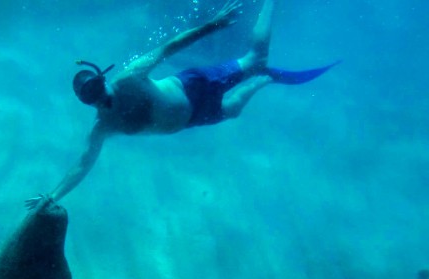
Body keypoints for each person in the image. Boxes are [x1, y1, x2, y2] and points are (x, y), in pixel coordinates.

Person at [25, 0, 337, 209]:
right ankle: (265, 80)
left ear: (103, 77)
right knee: (232, 110)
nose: (96, 95)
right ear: (85, 102)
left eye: (95, 86)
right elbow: (83, 163)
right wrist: (52, 196)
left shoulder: (129, 77)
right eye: (88, 95)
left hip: (194, 85)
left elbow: (169, 46)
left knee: (256, 58)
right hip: (192, 118)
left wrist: (213, 25)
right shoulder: (103, 127)